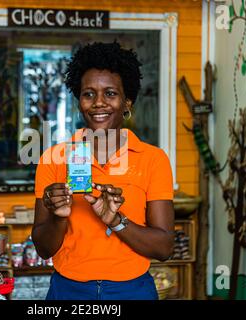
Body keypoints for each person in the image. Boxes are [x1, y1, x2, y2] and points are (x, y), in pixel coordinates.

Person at [32, 42, 174, 300]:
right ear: (79, 102)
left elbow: (164, 247)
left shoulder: (153, 159)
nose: (98, 103)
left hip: (132, 291)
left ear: (127, 101)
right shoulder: (53, 159)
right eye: (88, 94)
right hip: (69, 291)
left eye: (110, 93)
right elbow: (43, 248)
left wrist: (116, 220)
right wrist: (58, 216)